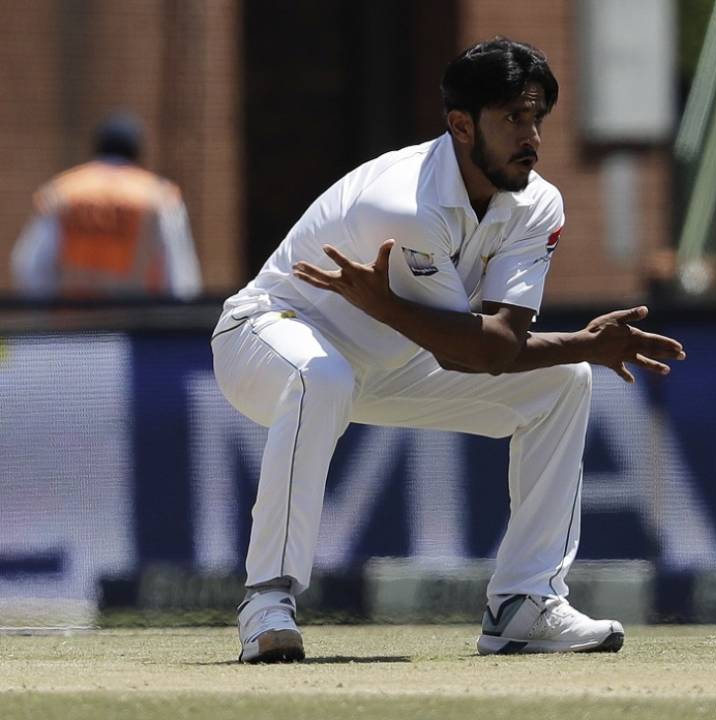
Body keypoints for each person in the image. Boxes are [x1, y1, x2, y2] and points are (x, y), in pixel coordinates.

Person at [211, 37, 685, 663]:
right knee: (320, 375)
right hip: (264, 337)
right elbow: (474, 354)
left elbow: (498, 342)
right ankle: (266, 602)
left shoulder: (538, 202)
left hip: (392, 360)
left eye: (537, 116)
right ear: (461, 125)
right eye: (513, 117)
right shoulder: (405, 202)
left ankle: (525, 604)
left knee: (564, 381)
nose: (532, 136)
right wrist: (583, 341)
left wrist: (580, 349)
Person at [10, 112, 202, 300]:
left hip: (73, 324)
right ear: (137, 152)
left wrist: (46, 315)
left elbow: (29, 267)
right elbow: (180, 276)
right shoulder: (158, 197)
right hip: (137, 324)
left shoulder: (63, 192)